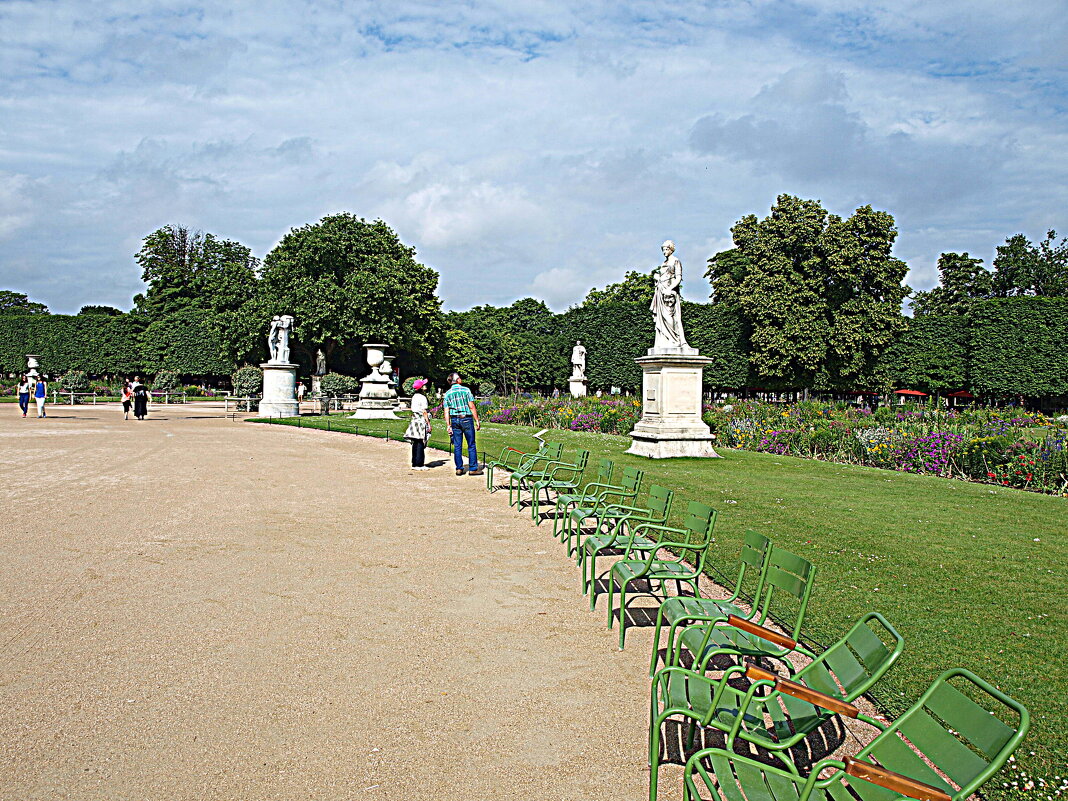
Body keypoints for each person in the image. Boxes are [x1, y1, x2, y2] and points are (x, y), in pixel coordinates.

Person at [651, 240, 689, 350]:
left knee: (669, 316)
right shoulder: (664, 263)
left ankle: (675, 339)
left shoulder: (675, 261)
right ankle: (664, 340)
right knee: (661, 317)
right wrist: (657, 278)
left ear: (671, 249)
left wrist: (669, 288)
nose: (664, 252)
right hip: (660, 291)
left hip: (669, 292)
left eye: (666, 249)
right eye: (663, 250)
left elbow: (678, 278)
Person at [443, 372, 482, 476]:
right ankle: (473, 468)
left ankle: (459, 468)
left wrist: (448, 425)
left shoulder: (447, 393)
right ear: (458, 380)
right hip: (466, 419)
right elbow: (472, 406)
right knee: (471, 444)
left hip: (455, 420)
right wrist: (477, 420)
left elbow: (446, 411)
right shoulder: (466, 390)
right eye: (459, 378)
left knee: (457, 445)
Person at [404, 378, 432, 470]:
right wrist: (428, 423)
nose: (426, 386)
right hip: (421, 421)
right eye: (424, 385)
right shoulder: (422, 398)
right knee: (420, 442)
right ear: (421, 387)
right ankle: (419, 464)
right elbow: (424, 411)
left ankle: (414, 462)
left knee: (415, 442)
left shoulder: (414, 396)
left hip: (415, 420)